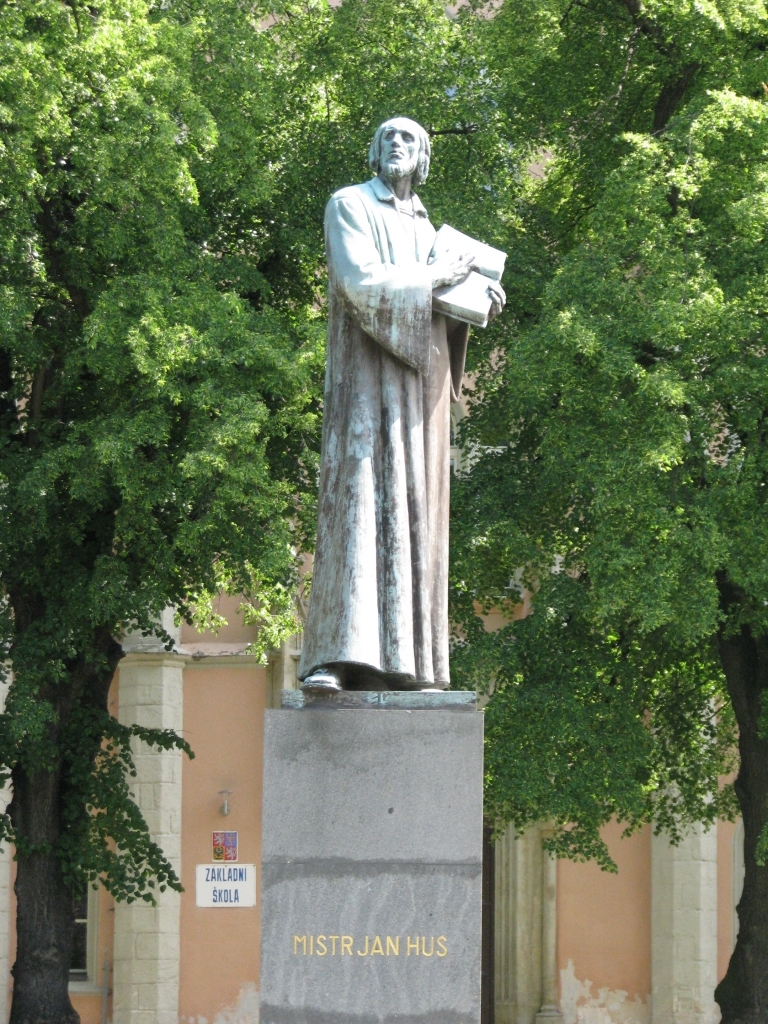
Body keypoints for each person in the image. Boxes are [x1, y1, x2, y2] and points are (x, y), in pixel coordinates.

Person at [298, 117, 505, 693]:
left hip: (420, 397)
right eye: (387, 136)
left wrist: (476, 300)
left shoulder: (428, 229)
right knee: (358, 502)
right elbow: (359, 283)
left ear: (423, 158)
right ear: (374, 150)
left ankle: (412, 666)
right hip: (366, 387)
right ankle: (336, 657)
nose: (396, 143)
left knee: (417, 514)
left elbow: (438, 305)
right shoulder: (350, 205)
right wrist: (437, 277)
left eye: (408, 138)